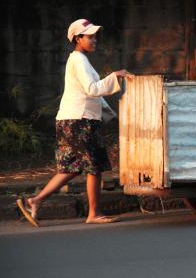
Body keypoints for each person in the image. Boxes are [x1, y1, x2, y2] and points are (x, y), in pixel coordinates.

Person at [17, 19, 134, 227]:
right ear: (77, 39)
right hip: (79, 122)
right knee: (94, 166)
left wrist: (110, 114)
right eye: (89, 36)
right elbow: (92, 89)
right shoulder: (79, 60)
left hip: (71, 120)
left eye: (95, 36)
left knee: (71, 168)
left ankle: (35, 201)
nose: (94, 40)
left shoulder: (80, 60)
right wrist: (115, 76)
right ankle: (94, 213)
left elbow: (91, 94)